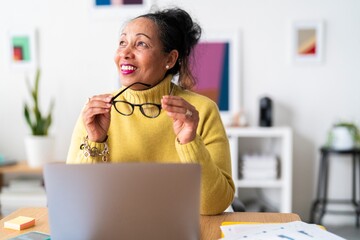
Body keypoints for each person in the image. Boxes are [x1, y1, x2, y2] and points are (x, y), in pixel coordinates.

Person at [66, 7, 235, 215]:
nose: (125, 54)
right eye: (122, 43)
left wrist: (189, 142)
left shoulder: (201, 110)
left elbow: (215, 205)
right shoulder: (95, 112)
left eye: (141, 44)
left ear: (170, 59)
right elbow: (74, 201)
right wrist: (95, 141)